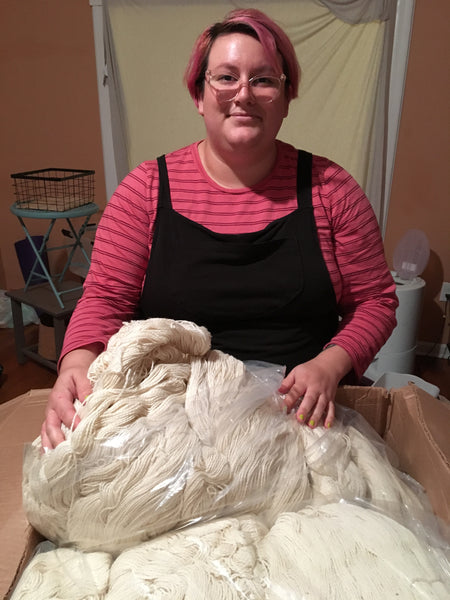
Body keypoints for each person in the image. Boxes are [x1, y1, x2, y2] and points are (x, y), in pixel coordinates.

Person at [42, 8, 398, 449]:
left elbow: (375, 301)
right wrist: (74, 364)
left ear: (287, 98)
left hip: (300, 418)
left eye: (264, 80)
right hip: (169, 420)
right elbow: (104, 299)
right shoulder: (145, 190)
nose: (243, 94)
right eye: (226, 77)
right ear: (199, 95)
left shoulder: (332, 190)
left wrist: (330, 364)